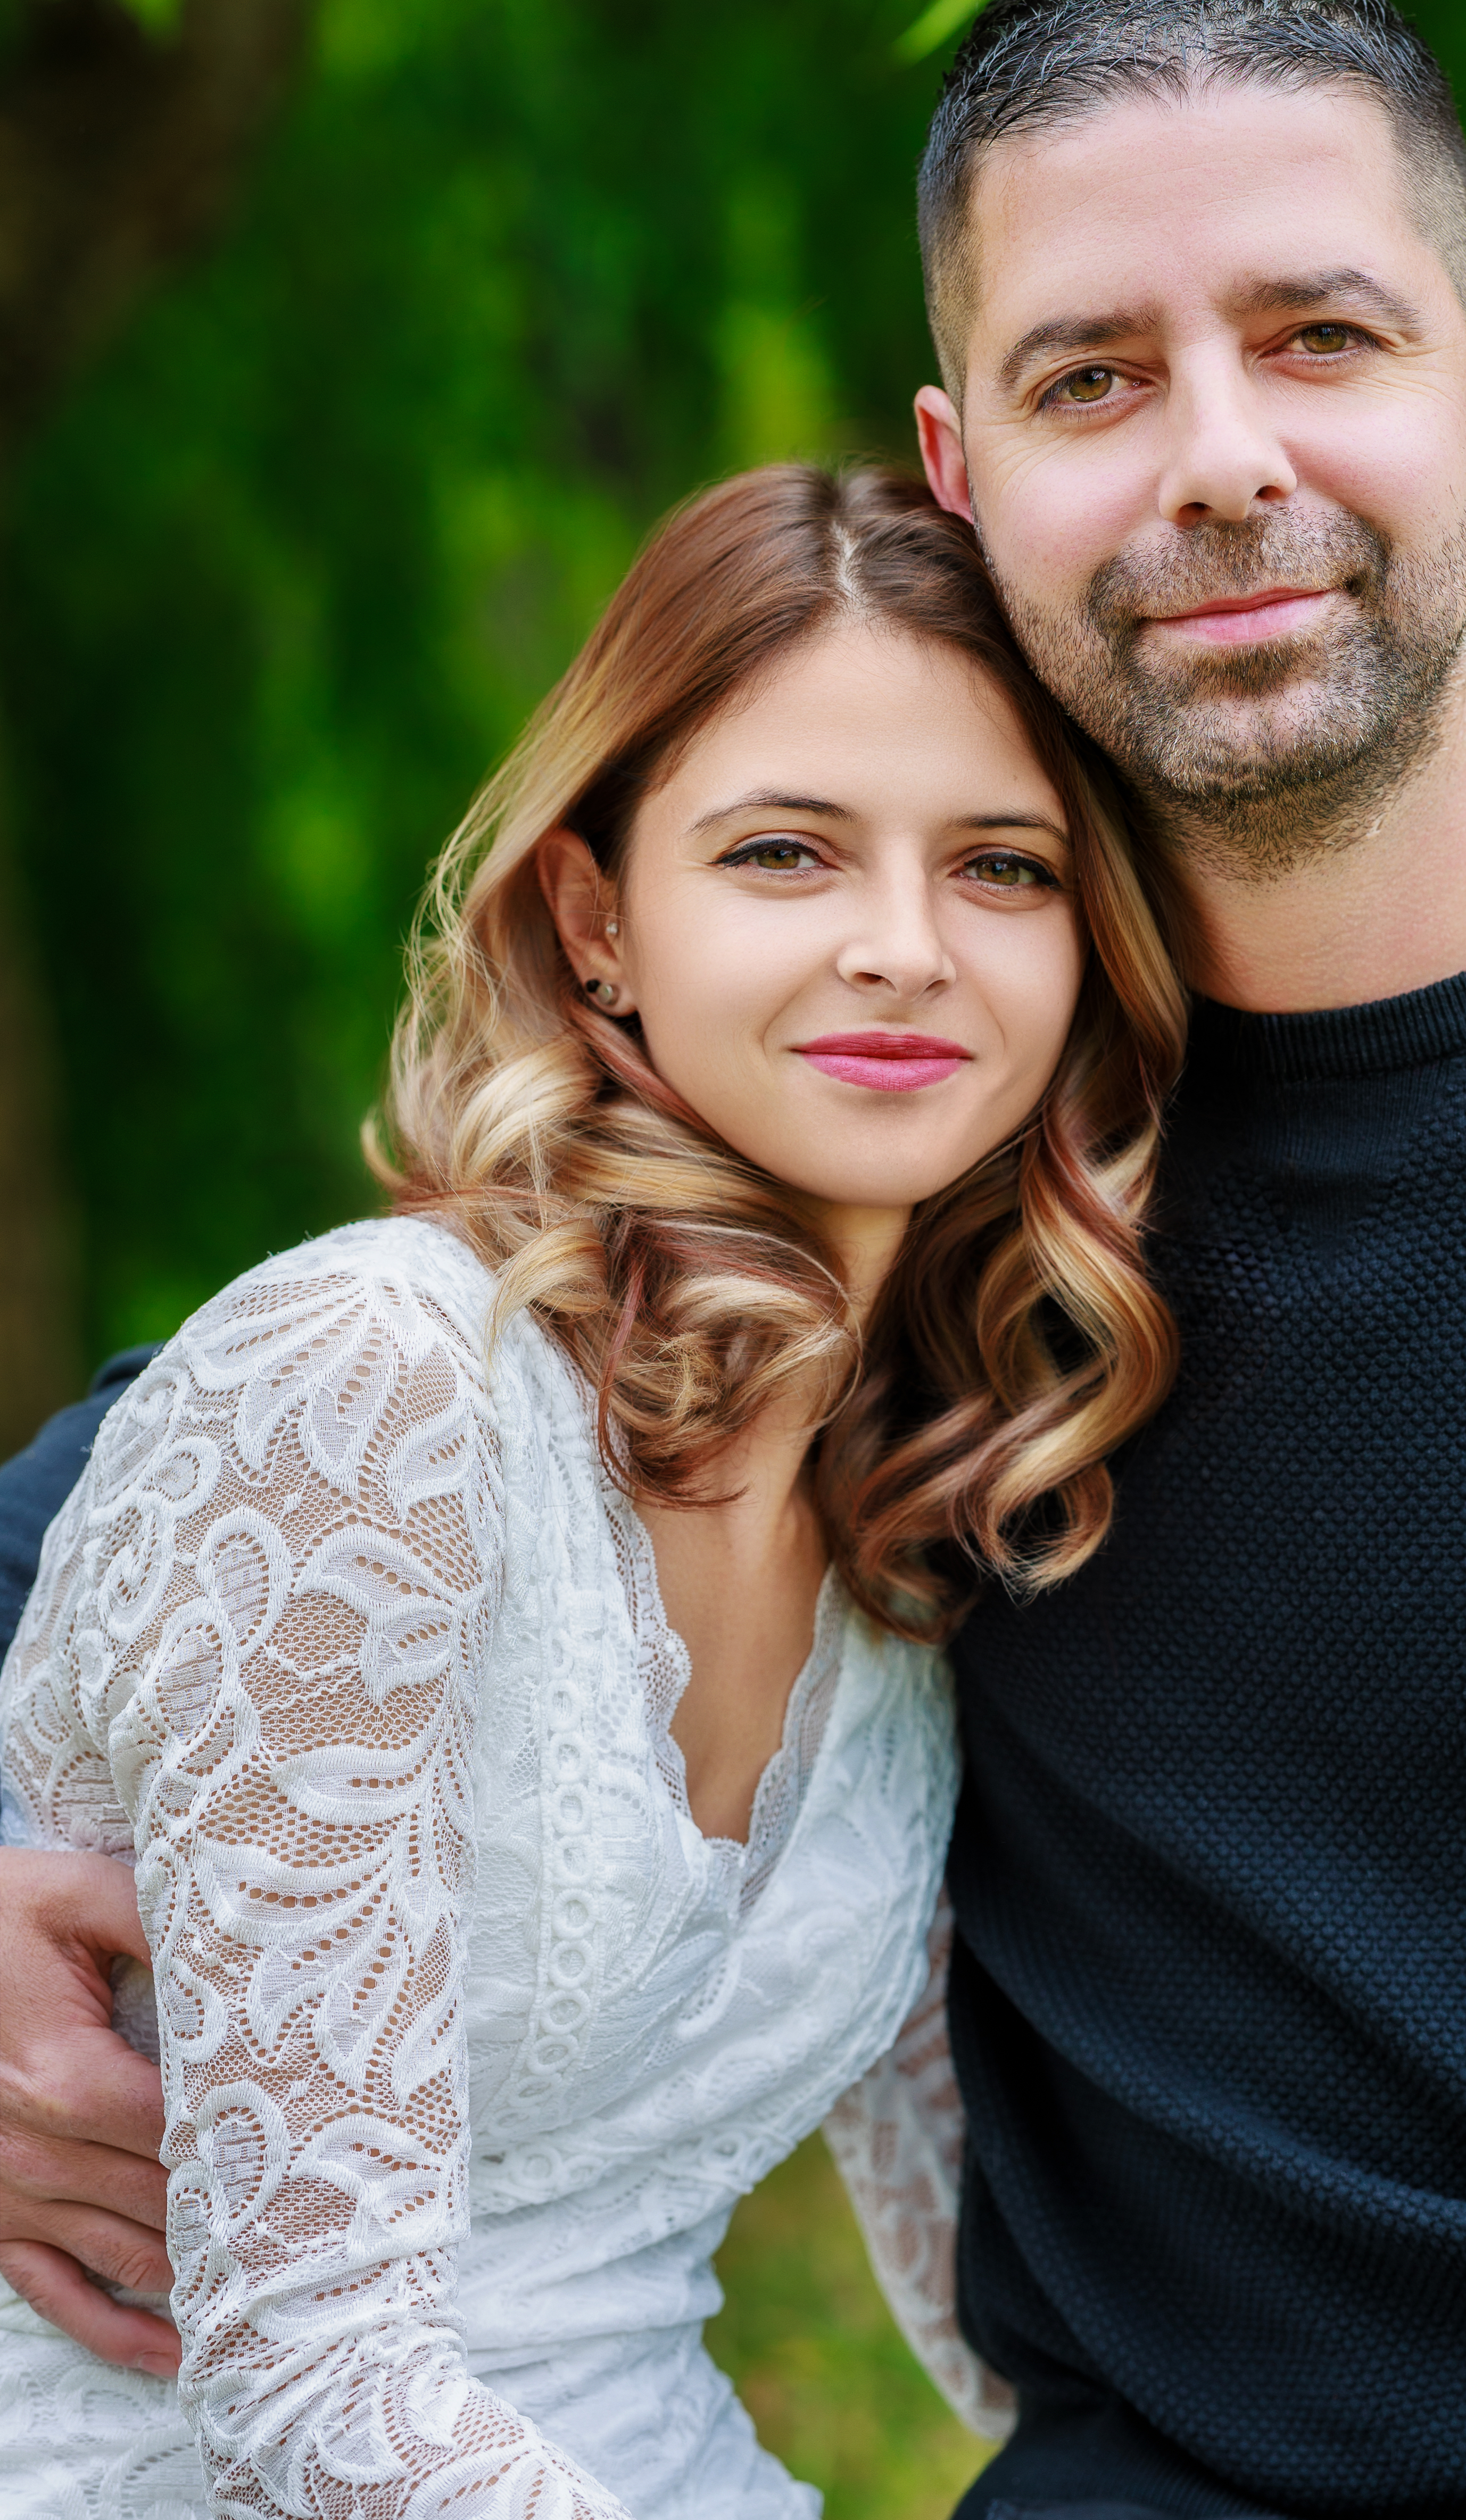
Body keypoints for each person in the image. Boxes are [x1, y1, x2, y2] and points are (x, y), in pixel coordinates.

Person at [6, 0, 1466, 2520]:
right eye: (1091, 376)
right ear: (960, 475)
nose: (1217, 457)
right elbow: (218, 1502)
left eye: (1318, 338)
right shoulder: (923, 1155)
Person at [0, 459, 1182, 2516]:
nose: (904, 949)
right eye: (785, 852)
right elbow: (310, 2382)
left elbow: (1013, 2321)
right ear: (596, 922)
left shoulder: (911, 1514)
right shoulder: (376, 1383)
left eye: (1003, 868)